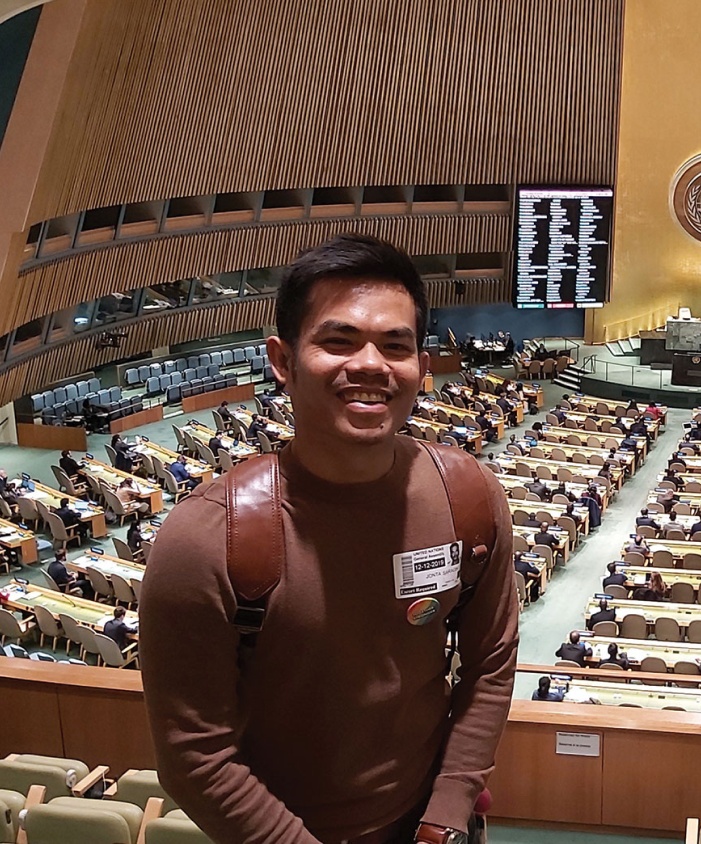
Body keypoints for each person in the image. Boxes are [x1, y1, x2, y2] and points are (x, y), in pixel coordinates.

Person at [139, 234, 518, 844]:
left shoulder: (468, 497)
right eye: (338, 340)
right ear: (282, 361)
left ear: (422, 366)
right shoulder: (206, 539)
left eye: (395, 345)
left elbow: (490, 662)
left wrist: (447, 812)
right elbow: (195, 757)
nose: (370, 364)